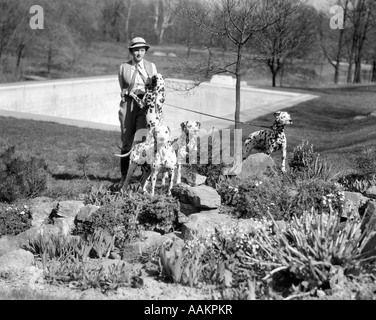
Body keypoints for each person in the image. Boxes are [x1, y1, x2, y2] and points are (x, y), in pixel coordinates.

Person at [117, 37, 157, 186]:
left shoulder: (151, 67)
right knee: (126, 141)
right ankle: (123, 177)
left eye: (141, 50)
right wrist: (128, 93)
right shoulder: (123, 67)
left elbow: (155, 87)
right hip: (128, 105)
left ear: (145, 51)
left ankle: (142, 177)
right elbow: (122, 87)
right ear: (131, 51)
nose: (139, 53)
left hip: (144, 108)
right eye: (135, 50)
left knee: (143, 142)